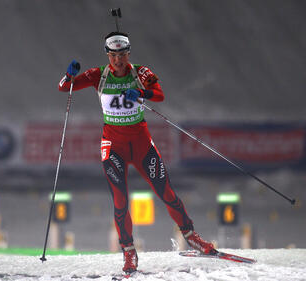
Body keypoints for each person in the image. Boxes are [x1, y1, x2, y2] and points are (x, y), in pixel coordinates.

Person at [58, 31, 215, 273]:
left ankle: (192, 237)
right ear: (108, 55)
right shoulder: (98, 75)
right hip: (113, 147)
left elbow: (160, 95)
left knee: (167, 192)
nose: (118, 60)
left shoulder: (140, 73)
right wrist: (69, 74)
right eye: (113, 55)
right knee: (120, 201)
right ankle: (129, 253)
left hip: (141, 144)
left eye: (122, 55)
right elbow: (64, 88)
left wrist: (141, 93)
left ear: (128, 53)